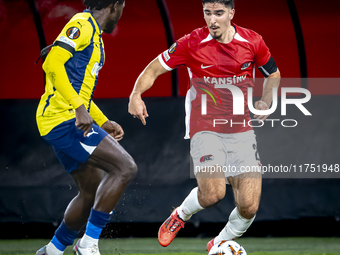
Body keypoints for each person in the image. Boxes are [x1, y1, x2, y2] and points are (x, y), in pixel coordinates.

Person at [128, 0, 280, 251]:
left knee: (249, 207)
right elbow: (154, 69)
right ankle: (180, 215)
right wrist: (136, 94)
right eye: (207, 13)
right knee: (212, 194)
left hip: (241, 129)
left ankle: (218, 244)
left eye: (218, 13)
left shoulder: (253, 42)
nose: (212, 20)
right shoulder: (191, 43)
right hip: (205, 126)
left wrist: (266, 100)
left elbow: (272, 74)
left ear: (231, 13)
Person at [35, 1, 137, 255]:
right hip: (62, 119)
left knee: (92, 191)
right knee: (125, 168)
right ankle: (88, 244)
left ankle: (54, 249)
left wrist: (102, 121)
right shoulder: (82, 24)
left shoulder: (94, 33)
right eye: (123, 7)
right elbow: (52, 64)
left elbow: (80, 91)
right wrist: (78, 108)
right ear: (115, 6)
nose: (122, 13)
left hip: (63, 118)